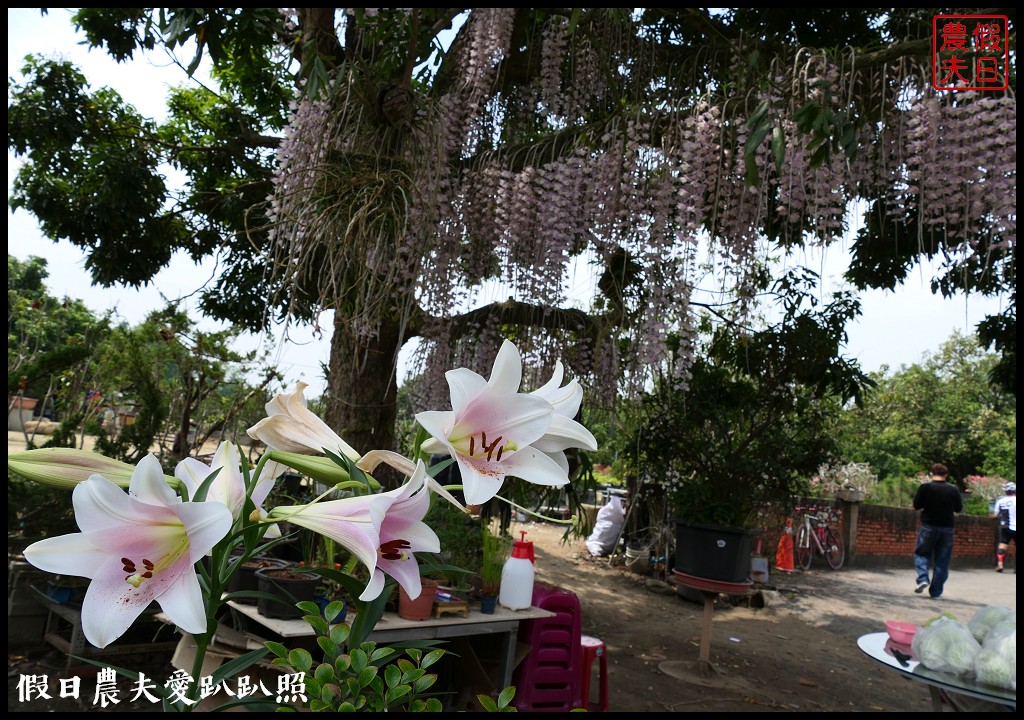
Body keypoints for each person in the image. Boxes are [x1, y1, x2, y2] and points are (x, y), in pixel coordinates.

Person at [912, 463, 963, 598]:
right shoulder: (953, 490)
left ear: (932, 473)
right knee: (942, 561)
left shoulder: (925, 487)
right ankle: (935, 592)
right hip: (947, 529)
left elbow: (917, 505)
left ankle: (923, 578)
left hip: (928, 526)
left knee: (922, 554)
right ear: (946, 475)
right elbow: (958, 508)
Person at [992, 481, 1016, 573]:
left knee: (1002, 545)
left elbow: (996, 514)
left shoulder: (1000, 501)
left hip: (1005, 526)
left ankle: (1000, 564)